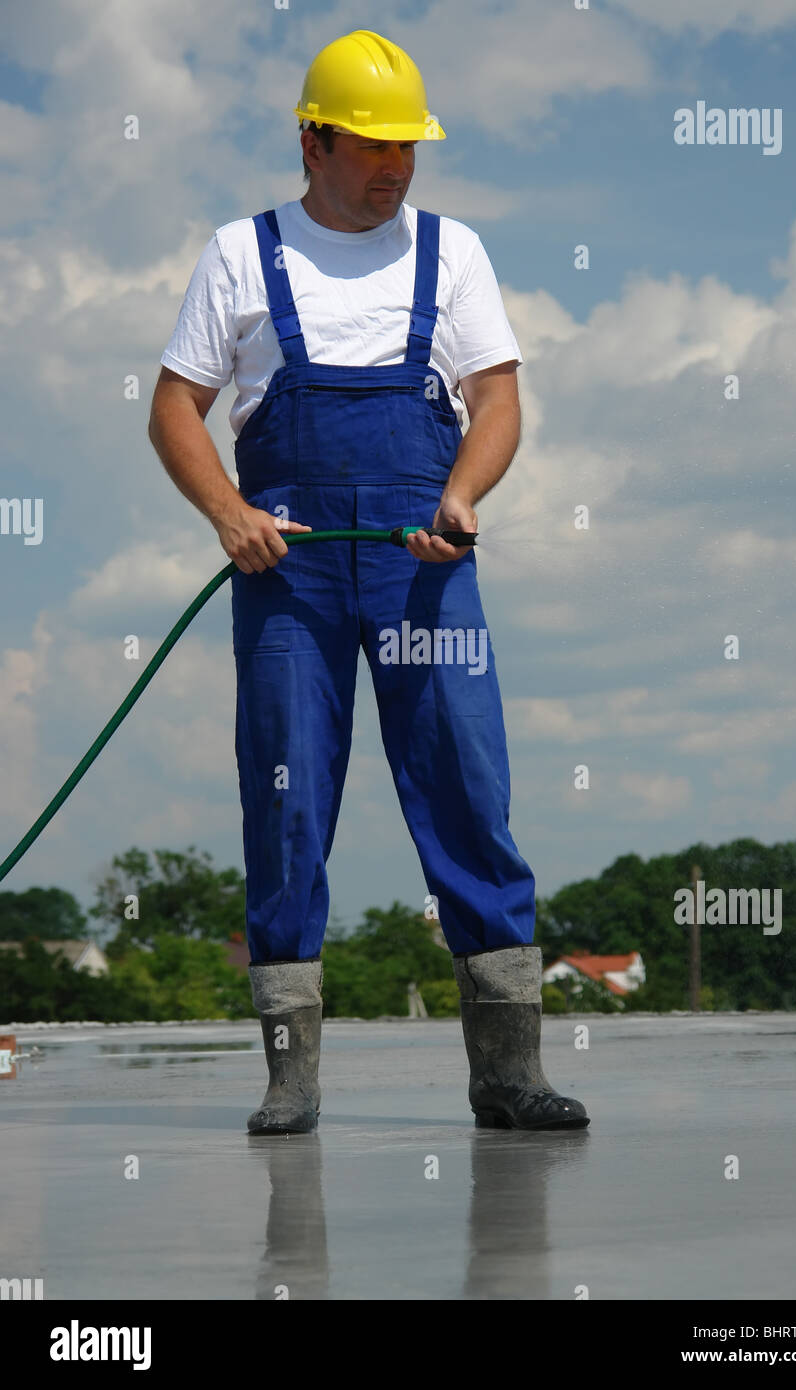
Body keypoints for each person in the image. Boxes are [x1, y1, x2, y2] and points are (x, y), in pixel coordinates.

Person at [149, 29, 589, 1134]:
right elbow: (171, 409)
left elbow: (495, 401)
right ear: (313, 140)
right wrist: (229, 514)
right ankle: (289, 1078)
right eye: (371, 144)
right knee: (287, 803)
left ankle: (505, 1072)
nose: (394, 166)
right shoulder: (241, 255)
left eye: (408, 145)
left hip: (422, 566)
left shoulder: (453, 255)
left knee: (464, 797)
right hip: (286, 573)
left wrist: (462, 492)